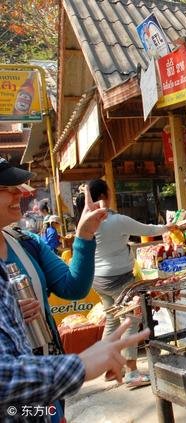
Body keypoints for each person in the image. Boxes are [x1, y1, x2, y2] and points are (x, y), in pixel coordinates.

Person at [0, 159, 150, 421]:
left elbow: (74, 287)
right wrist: (80, 365)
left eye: (18, 187)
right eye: (7, 188)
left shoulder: (26, 242)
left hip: (46, 389)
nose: (20, 194)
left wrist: (84, 235)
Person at [85, 178, 173, 387]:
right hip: (120, 280)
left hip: (98, 280)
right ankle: (132, 372)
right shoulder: (117, 220)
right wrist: (170, 227)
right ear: (106, 195)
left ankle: (108, 367)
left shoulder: (89, 220)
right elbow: (148, 230)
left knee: (113, 320)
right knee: (132, 319)